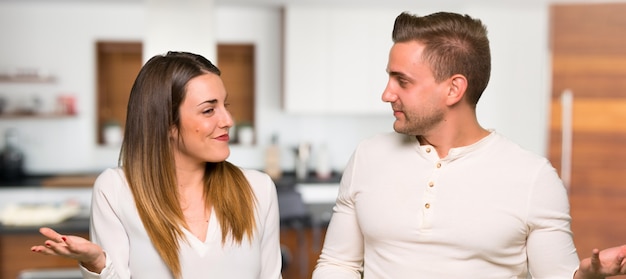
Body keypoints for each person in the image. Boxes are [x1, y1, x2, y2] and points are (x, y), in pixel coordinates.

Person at [312, 11, 626, 279]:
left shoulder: (533, 177)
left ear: (454, 89)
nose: (387, 93)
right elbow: (338, 263)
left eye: (402, 80)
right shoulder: (368, 157)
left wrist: (582, 277)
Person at [31, 51, 283, 278]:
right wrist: (99, 264)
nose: (228, 120)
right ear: (166, 124)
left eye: (225, 105)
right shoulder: (116, 190)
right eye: (209, 110)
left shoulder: (258, 189)